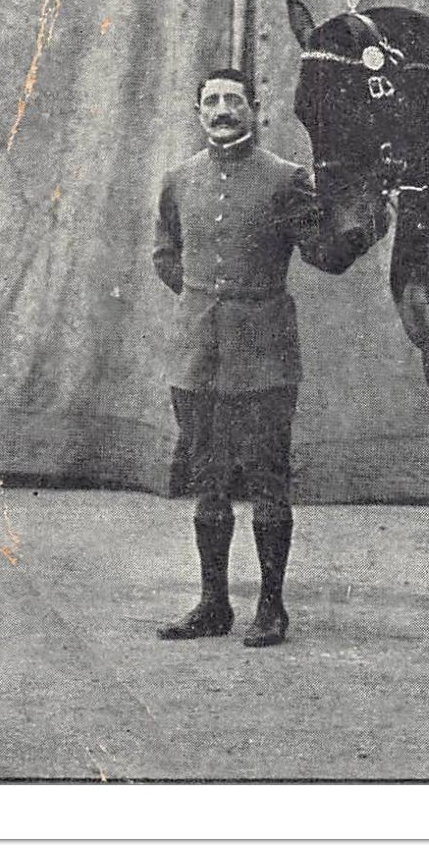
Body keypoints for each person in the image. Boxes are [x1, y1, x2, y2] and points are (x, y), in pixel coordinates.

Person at [152, 67, 326, 648]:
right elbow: (166, 256)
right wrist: (206, 300)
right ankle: (213, 604)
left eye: (233, 100)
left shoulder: (286, 179)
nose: (221, 109)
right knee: (209, 482)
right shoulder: (178, 180)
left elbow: (322, 248)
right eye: (210, 101)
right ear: (197, 111)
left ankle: (272, 609)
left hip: (265, 356)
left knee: (268, 481)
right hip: (197, 354)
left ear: (255, 107)